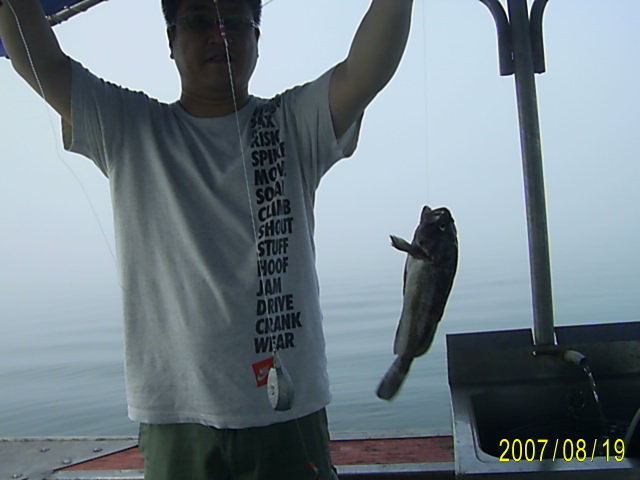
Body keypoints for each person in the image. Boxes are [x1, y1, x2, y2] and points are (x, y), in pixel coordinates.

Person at [0, 0, 413, 478]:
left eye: (237, 23)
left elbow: (365, 73)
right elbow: (42, 62)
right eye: (199, 21)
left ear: (257, 41)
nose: (221, 34)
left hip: (287, 410)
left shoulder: (295, 122)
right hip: (175, 414)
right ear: (171, 40)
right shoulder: (129, 126)